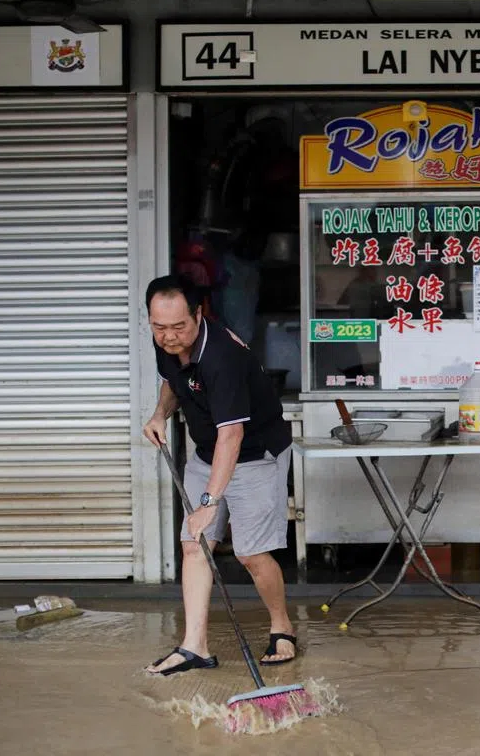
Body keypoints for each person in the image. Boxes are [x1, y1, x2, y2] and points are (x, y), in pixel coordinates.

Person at [141, 274, 298, 675]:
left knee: (250, 553)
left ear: (199, 313)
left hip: (254, 455)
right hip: (208, 452)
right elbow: (172, 381)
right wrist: (160, 414)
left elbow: (233, 434)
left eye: (178, 327)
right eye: (159, 327)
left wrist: (210, 503)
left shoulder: (221, 357)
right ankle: (194, 647)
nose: (169, 336)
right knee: (194, 545)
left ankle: (281, 626)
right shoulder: (169, 342)